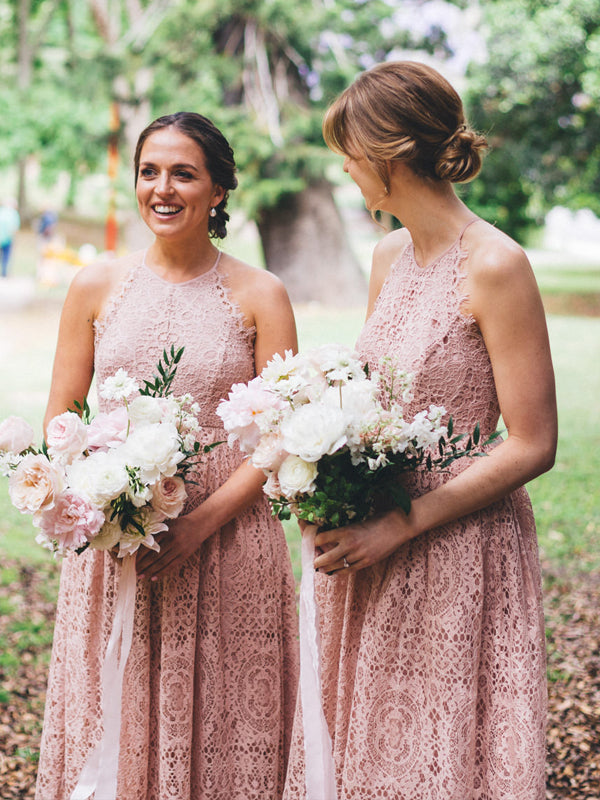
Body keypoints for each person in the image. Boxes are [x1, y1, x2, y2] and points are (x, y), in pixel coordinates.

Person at [283, 61, 557, 800]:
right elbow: (374, 398)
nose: (344, 169)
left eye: (349, 152)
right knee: (368, 750)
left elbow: (534, 442)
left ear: (387, 154)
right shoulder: (388, 256)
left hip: (458, 545)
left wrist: (402, 524)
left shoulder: (497, 265)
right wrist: (321, 463)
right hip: (372, 538)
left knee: (440, 755)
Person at [36, 112, 299, 800]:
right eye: (149, 172)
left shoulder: (259, 294)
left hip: (229, 540)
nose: (163, 188)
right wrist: (98, 497)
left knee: (228, 718)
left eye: (183, 173)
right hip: (119, 545)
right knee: (112, 716)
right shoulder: (94, 286)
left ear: (218, 190)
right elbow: (63, 413)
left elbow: (278, 437)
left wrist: (197, 525)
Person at [0, 199, 20, 278]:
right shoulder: (13, 213)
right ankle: (4, 273)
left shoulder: (1, 211)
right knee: (6, 256)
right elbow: (14, 227)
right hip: (8, 238)